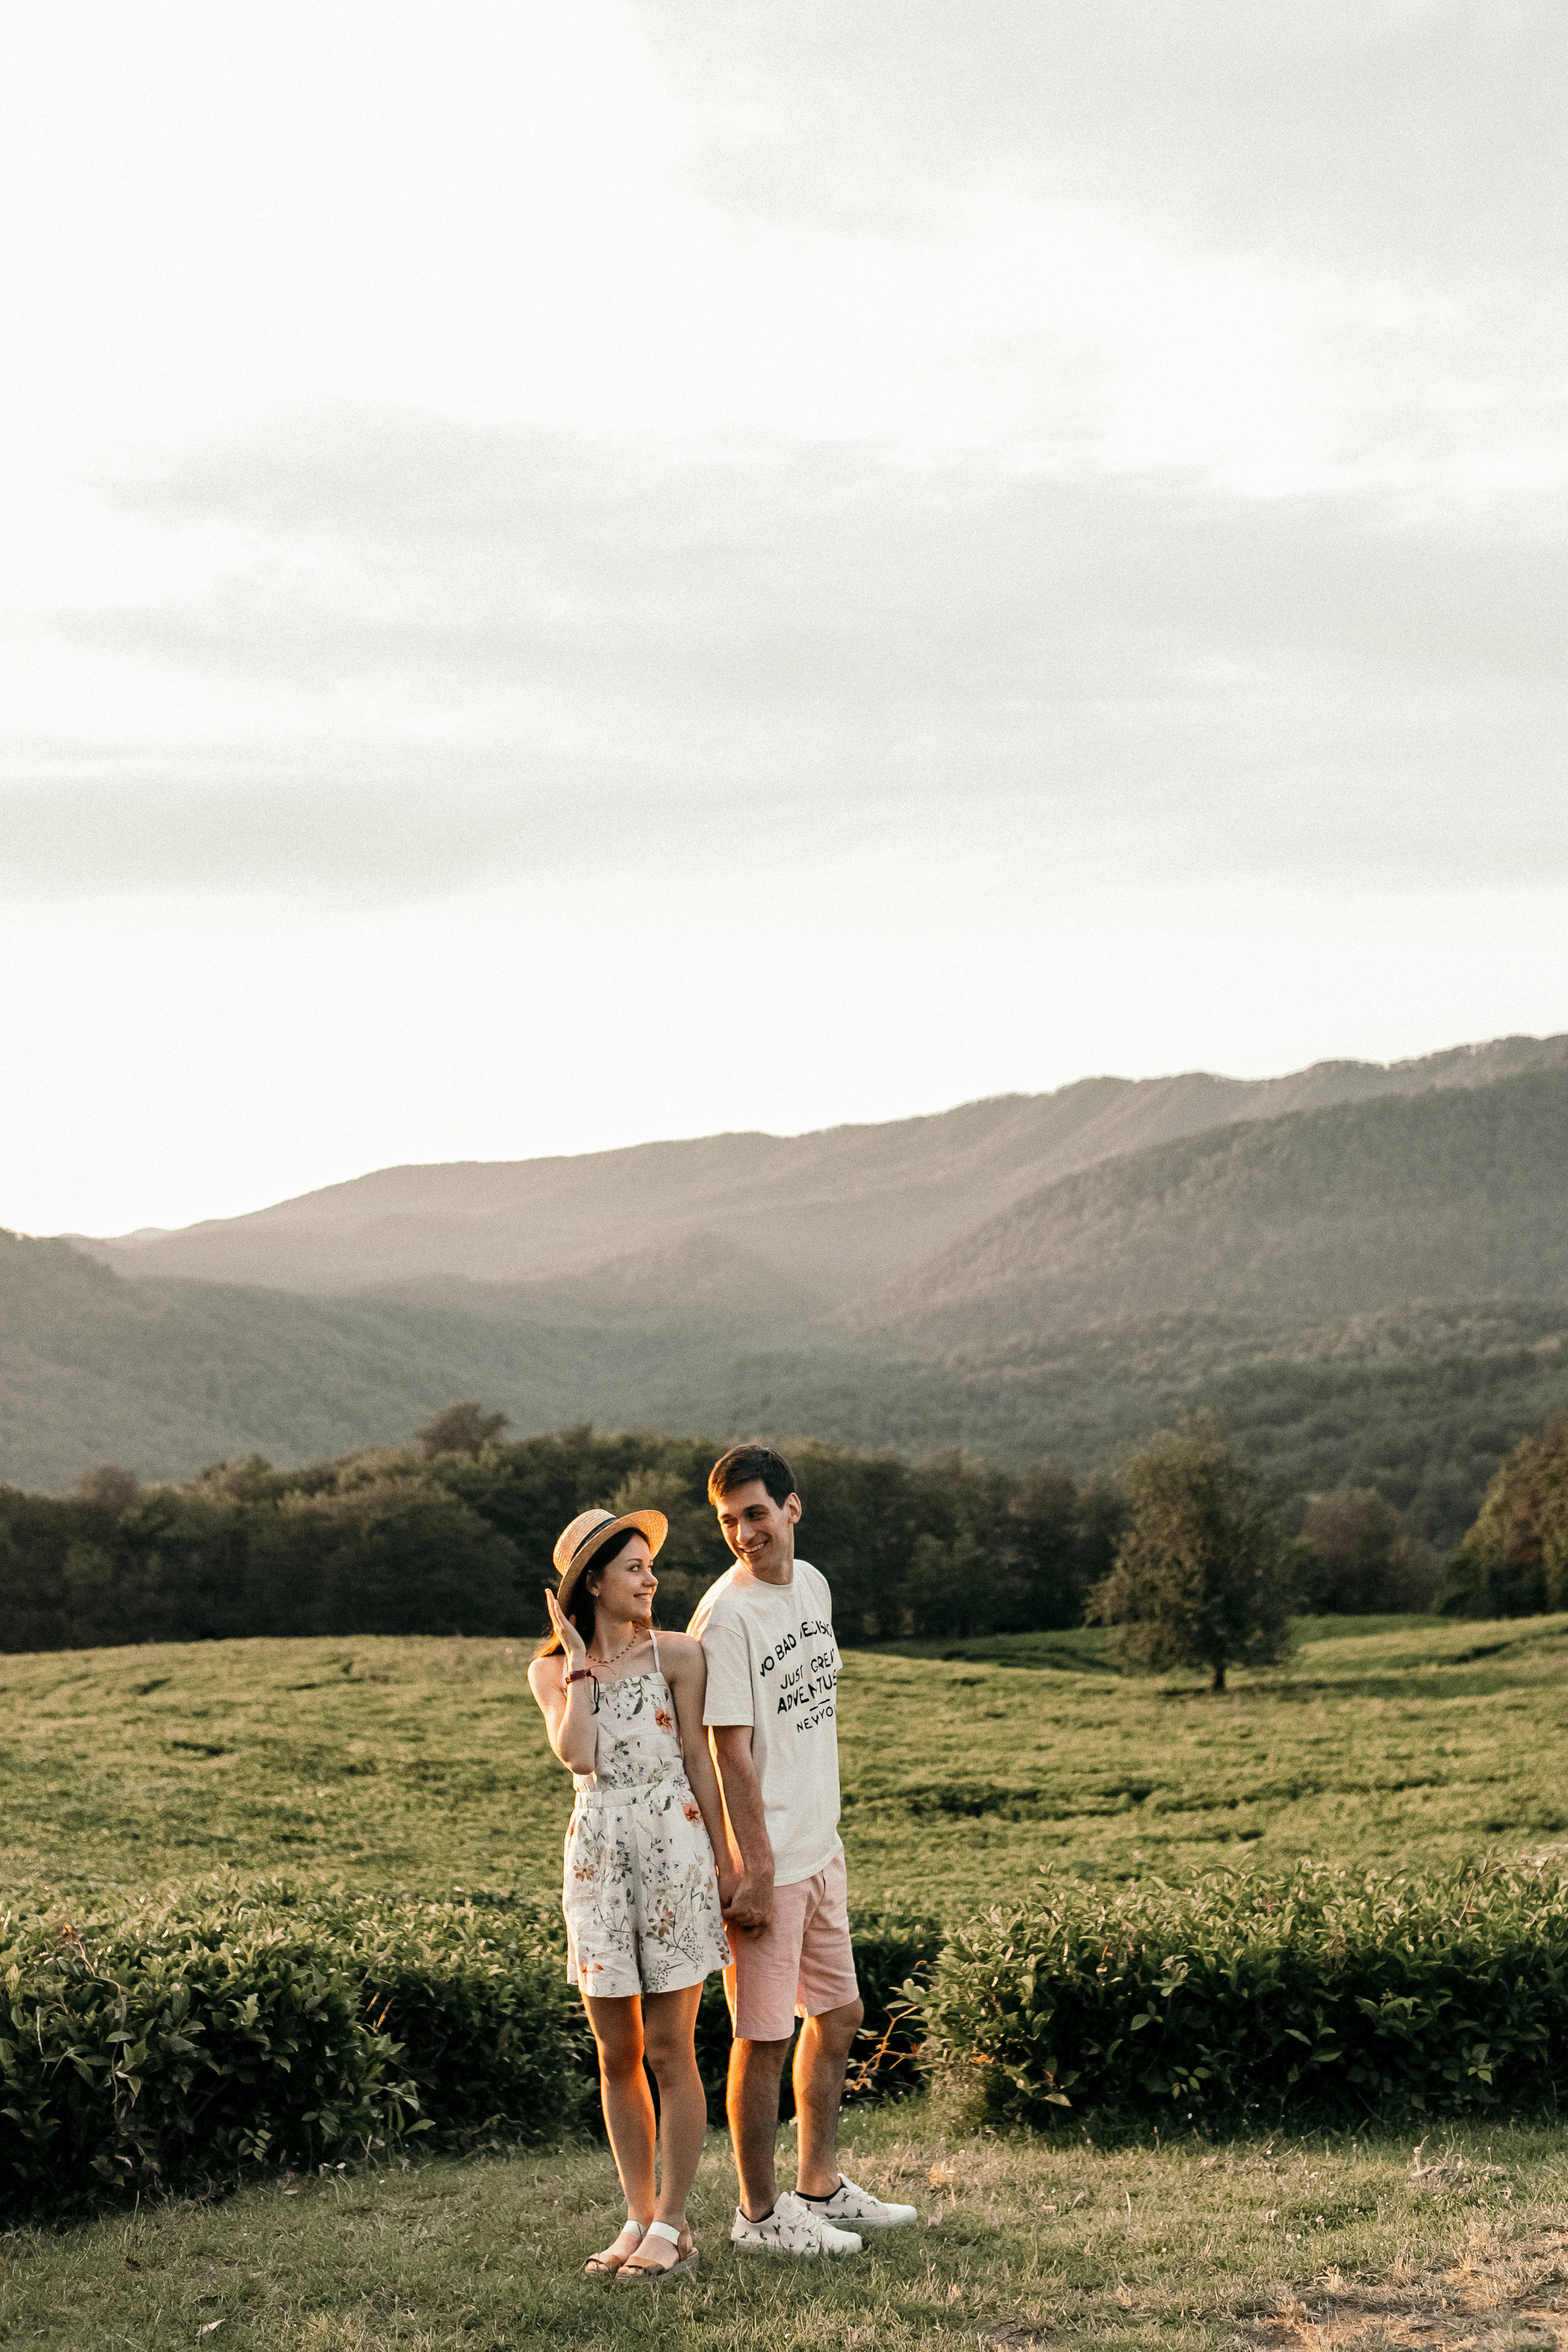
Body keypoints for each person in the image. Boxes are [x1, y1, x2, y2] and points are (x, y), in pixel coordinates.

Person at [688, 1442, 918, 2258]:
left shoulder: (813, 1585)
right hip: (772, 1866)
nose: (744, 1533)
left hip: (822, 1849)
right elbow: (730, 1752)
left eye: (754, 1513)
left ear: (792, 1507)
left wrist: (819, 1841)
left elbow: (810, 1714)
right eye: (727, 1522)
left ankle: (819, 2185)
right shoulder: (726, 1617)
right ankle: (758, 2215)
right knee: (761, 2037)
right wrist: (751, 1868)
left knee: (841, 2013)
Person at [529, 1505, 734, 2283]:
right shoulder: (551, 1670)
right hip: (596, 1862)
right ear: (592, 1583)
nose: (651, 1579)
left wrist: (725, 1861)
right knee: (616, 2053)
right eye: (634, 1568)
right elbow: (578, 1757)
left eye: (650, 1566)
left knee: (669, 2049)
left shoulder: (679, 1656)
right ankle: (637, 2215)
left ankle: (675, 2225)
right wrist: (581, 1659)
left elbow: (698, 1760)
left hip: (674, 1851)